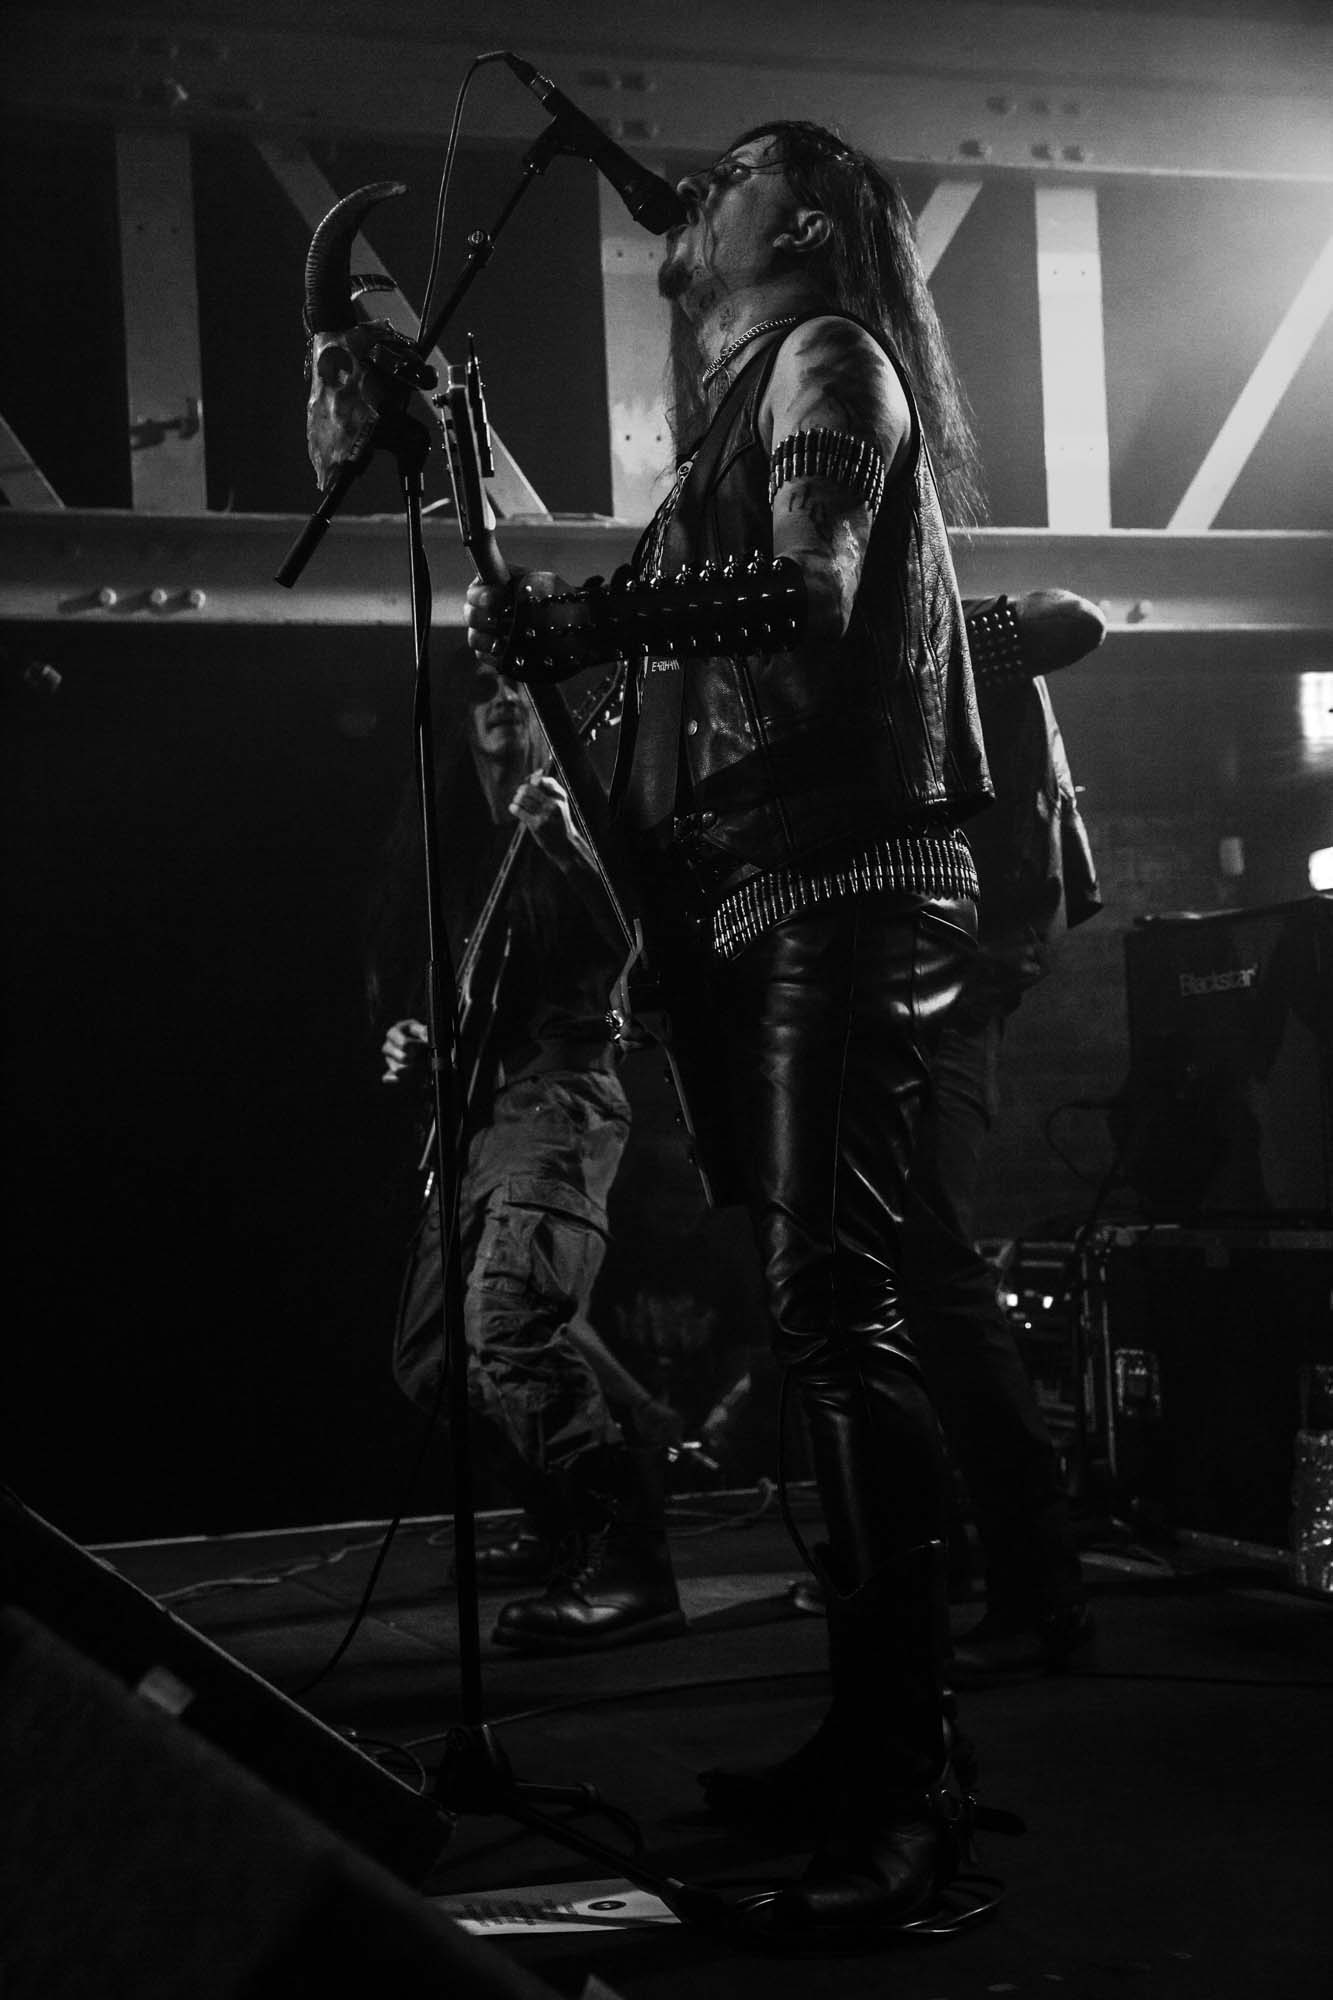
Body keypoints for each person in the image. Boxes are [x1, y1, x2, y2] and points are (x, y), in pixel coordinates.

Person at [466, 120, 995, 1943]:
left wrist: (592, 614)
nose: (702, 189)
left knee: (839, 1316)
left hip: (861, 876)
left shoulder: (829, 357)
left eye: (745, 169)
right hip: (794, 886)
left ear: (816, 221)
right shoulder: (760, 390)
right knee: (820, 1312)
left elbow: (813, 593)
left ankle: (908, 1788)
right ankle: (865, 1744)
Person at [376, 655, 686, 1656]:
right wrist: (414, 1037)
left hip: (560, 1094)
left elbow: (651, 952)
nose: (503, 697)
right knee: (431, 1359)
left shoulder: (583, 816)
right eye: (482, 686)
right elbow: (458, 998)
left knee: (509, 1325)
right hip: (477, 1114)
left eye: (517, 682)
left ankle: (633, 1560)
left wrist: (571, 851)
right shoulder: (456, 849)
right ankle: (561, 1523)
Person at [902, 588, 1104, 1678]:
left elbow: (1073, 619)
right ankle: (926, 1564)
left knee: (934, 1274)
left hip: (947, 999)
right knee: (879, 1292)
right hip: (881, 999)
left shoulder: (936, 628)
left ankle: (1040, 1590)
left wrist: (937, 630)